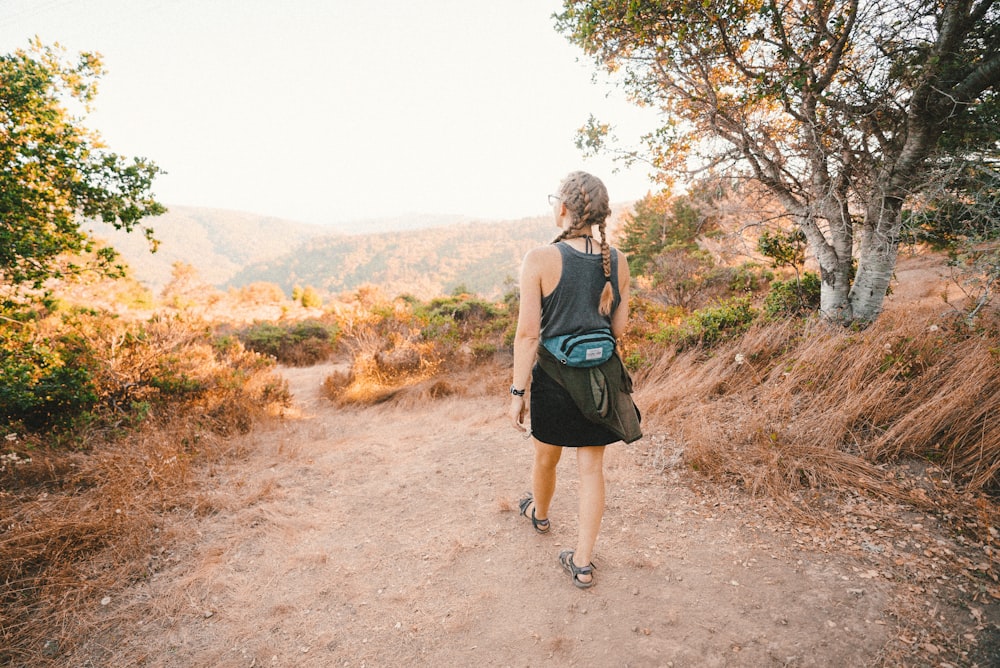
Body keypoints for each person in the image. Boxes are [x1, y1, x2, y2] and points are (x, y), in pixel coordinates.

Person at [508, 170, 634, 589]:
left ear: (562, 208)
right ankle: (582, 562)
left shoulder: (540, 259)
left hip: (555, 380)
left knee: (546, 456)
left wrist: (517, 392)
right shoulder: (616, 260)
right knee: (591, 470)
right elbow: (619, 329)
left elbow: (528, 334)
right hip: (600, 380)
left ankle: (539, 515)